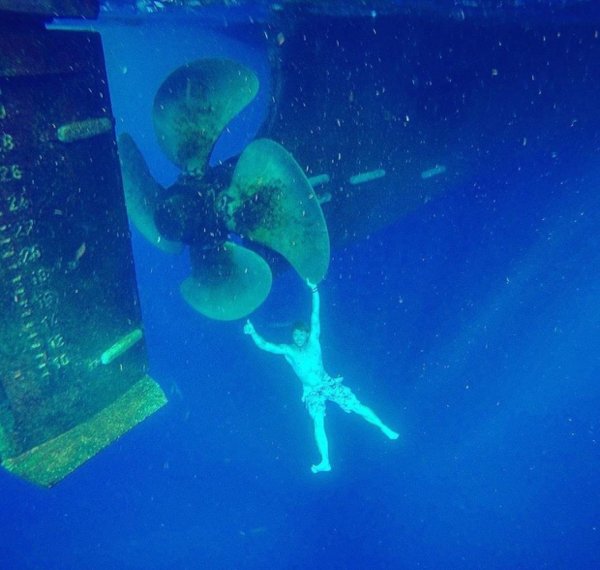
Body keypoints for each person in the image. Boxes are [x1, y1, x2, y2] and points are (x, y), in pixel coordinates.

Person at [244, 279, 399, 474]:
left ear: (307, 334)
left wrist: (314, 290)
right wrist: (252, 333)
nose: (298, 338)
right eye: (296, 335)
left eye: (301, 334)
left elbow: (315, 314)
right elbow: (266, 346)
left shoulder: (314, 341)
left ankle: (383, 427)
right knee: (318, 422)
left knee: (358, 406)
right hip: (311, 391)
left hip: (327, 383)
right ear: (292, 336)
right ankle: (325, 460)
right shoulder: (288, 351)